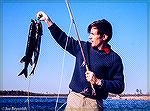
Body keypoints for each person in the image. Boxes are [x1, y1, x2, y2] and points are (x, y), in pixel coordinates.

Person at [37, 11, 125, 111]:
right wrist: (48, 21)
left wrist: (98, 81)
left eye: (93, 34)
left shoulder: (114, 59)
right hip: (74, 99)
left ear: (104, 37)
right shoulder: (82, 47)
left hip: (94, 104)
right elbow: (63, 39)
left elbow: (119, 86)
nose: (89, 37)